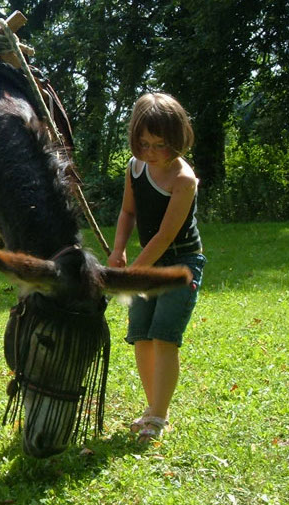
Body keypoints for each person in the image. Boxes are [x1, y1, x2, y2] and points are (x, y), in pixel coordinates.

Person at [107, 93, 206, 443]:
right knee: (141, 335)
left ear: (177, 139)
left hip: (181, 264)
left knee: (164, 335)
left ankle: (159, 418)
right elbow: (128, 213)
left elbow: (165, 236)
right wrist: (119, 251)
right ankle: (152, 407)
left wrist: (131, 274)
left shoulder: (184, 181)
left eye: (160, 144)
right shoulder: (135, 168)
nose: (150, 152)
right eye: (143, 143)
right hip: (148, 262)